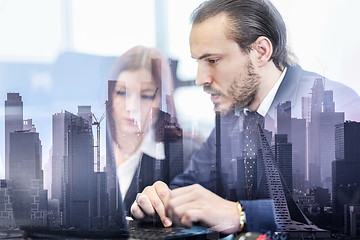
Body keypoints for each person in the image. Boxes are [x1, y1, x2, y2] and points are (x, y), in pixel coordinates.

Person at [130, 0, 360, 236]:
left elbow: (342, 211)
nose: (200, 79)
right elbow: (192, 186)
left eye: (212, 60)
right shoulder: (231, 119)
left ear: (261, 51)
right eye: (198, 62)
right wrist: (161, 200)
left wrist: (240, 214)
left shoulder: (335, 108)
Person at [107, 45, 180, 215]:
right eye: (122, 93)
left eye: (146, 96)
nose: (132, 107)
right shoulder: (84, 146)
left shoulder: (179, 157)